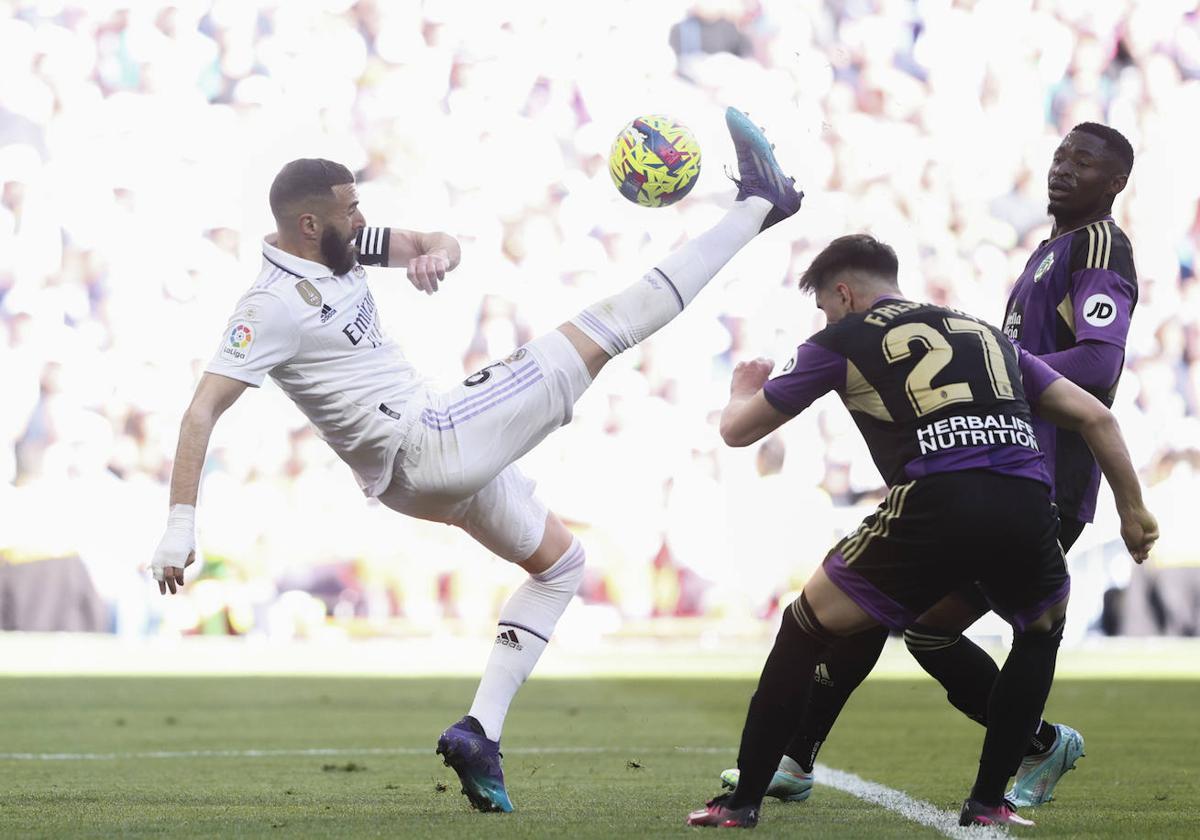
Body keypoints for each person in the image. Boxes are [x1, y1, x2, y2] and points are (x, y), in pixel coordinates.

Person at [150, 108, 804, 813]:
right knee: (605, 327)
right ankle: (762, 206)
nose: (362, 216)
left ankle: (479, 733)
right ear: (309, 225)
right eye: (350, 208)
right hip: (427, 437)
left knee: (560, 566)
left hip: (416, 477)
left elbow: (435, 241)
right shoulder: (273, 302)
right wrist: (180, 525)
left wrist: (436, 255)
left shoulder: (339, 246)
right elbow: (201, 410)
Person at [719, 122, 1140, 810]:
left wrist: (996, 377)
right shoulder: (1050, 252)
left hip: (1041, 478)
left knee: (895, 612)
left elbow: (1098, 366)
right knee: (911, 620)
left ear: (1116, 182)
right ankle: (811, 758)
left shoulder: (1098, 245)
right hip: (998, 467)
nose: (1064, 168)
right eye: (1061, 154)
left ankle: (807, 759)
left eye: (1084, 161)